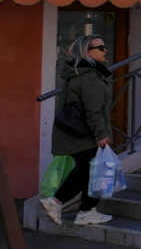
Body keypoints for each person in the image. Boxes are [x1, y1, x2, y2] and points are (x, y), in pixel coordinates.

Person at [40, 35, 114, 227]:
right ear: (87, 52)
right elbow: (94, 110)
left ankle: (81, 210)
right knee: (91, 171)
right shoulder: (90, 76)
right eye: (101, 48)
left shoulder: (77, 73)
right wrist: (101, 134)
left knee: (87, 170)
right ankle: (66, 205)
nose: (105, 50)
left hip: (74, 131)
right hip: (85, 133)